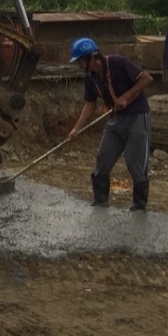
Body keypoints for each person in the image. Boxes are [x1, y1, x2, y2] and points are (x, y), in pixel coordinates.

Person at [67, 37, 154, 211]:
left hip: (136, 117)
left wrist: (126, 97)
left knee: (134, 161)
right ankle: (100, 200)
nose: (78, 65)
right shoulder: (91, 78)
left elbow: (146, 78)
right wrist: (76, 129)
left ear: (91, 58)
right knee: (103, 158)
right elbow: (90, 104)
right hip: (115, 120)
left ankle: (139, 205)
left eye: (80, 61)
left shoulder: (117, 63)